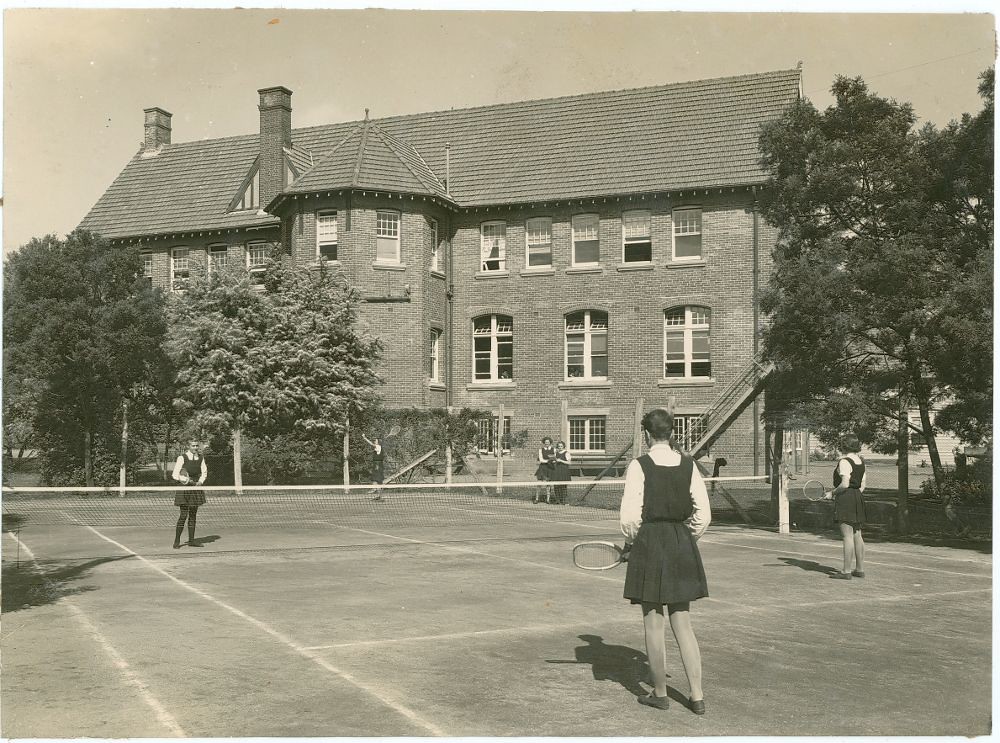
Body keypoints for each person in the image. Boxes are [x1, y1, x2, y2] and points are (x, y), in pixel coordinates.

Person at [620, 408, 710, 715]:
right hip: (680, 541)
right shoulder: (689, 464)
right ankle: (697, 696)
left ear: (645, 434)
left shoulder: (639, 465)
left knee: (653, 622)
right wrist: (684, 539)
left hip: (651, 541)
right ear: (672, 433)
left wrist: (633, 543)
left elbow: (631, 517)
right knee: (682, 622)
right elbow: (703, 514)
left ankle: (660, 694)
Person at [824, 434, 867, 579]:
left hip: (847, 497)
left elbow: (844, 484)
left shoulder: (844, 461)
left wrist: (832, 493)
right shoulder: (860, 461)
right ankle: (859, 569)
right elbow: (862, 485)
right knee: (857, 534)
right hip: (858, 497)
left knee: (847, 536)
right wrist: (855, 496)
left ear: (843, 446)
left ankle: (846, 571)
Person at [172, 439, 208, 548]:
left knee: (193, 515)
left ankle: (191, 541)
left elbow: (204, 472)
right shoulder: (182, 458)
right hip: (184, 489)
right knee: (183, 515)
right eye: (193, 445)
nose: (195, 447)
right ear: (189, 446)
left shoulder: (201, 458)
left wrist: (200, 482)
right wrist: (185, 480)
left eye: (197, 445)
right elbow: (175, 474)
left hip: (195, 489)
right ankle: (177, 541)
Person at [362, 433, 385, 501]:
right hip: (377, 465)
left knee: (377, 480)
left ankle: (378, 495)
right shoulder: (378, 447)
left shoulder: (378, 446)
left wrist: (364, 438)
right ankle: (378, 496)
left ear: (378, 442)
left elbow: (372, 444)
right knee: (376, 481)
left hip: (378, 465)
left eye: (375, 440)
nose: (374, 441)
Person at [534, 437, 556, 504]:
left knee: (548, 484)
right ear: (544, 443)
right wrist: (549, 461)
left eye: (548, 442)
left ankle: (548, 499)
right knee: (539, 484)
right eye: (545, 442)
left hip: (549, 468)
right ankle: (537, 499)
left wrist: (552, 461)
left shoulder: (554, 449)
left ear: (550, 443)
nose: (547, 443)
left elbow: (554, 460)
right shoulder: (541, 450)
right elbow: (541, 460)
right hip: (542, 468)